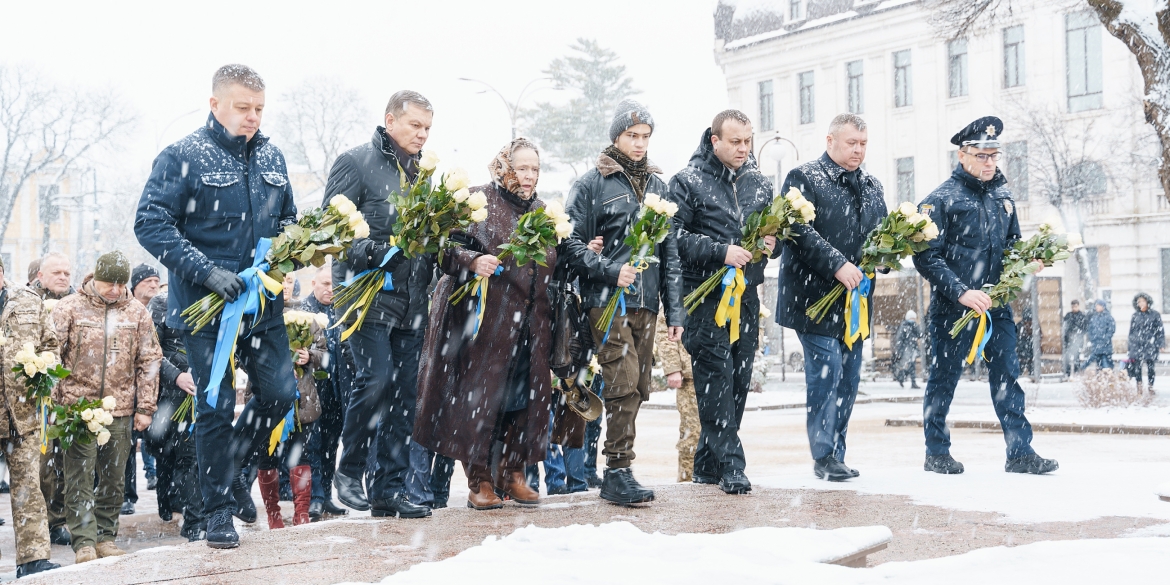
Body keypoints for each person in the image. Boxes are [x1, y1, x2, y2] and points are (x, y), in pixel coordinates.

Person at [135, 64, 300, 548]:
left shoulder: (272, 154)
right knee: (215, 407)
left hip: (260, 303)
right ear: (215, 104)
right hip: (206, 305)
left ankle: (235, 473)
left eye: (259, 109)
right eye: (243, 108)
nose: (253, 118)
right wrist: (206, 271)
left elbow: (287, 216)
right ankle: (217, 513)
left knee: (281, 394)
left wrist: (292, 250)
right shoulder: (182, 155)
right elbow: (150, 223)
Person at [413, 138, 555, 509]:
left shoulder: (542, 211)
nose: (528, 176)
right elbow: (442, 247)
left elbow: (554, 261)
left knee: (521, 399)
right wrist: (472, 260)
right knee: (479, 399)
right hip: (483, 323)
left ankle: (513, 473)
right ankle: (479, 481)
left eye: (534, 169)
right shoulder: (478, 200)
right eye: (522, 167)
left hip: (528, 324)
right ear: (505, 166)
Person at [914, 116, 1058, 476]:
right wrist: (961, 291)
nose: (990, 161)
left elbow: (1011, 247)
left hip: (997, 305)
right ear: (963, 156)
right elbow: (926, 257)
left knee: (1008, 374)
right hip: (953, 308)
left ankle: (1020, 452)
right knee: (944, 377)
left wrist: (1027, 262)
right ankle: (937, 452)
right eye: (982, 155)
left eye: (994, 155)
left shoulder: (1003, 197)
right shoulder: (939, 201)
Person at [563, 100, 683, 505]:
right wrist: (609, 270)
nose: (639, 144)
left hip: (647, 304)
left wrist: (675, 311)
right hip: (605, 300)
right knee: (622, 379)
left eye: (645, 137)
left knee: (637, 387)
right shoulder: (591, 183)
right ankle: (617, 470)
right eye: (632, 136)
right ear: (616, 136)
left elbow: (671, 256)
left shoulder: (659, 187)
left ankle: (618, 468)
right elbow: (570, 245)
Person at [324, 90, 436, 519]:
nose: (422, 135)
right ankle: (349, 470)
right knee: (376, 380)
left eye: (427, 128)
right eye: (415, 125)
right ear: (390, 121)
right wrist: (383, 250)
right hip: (366, 294)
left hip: (412, 299)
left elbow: (429, 241)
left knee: (406, 396)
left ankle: (389, 488)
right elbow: (332, 233)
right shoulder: (356, 163)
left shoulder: (427, 175)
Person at [775, 113, 887, 482]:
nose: (858, 150)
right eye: (852, 143)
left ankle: (837, 451)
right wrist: (837, 263)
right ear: (830, 141)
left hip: (854, 304)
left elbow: (880, 233)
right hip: (812, 299)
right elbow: (797, 231)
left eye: (864, 144)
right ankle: (823, 455)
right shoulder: (804, 178)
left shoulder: (872, 185)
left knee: (849, 378)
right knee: (827, 373)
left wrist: (884, 256)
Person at [669, 110, 774, 494]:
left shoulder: (759, 184)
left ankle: (706, 466)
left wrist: (770, 246)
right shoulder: (688, 181)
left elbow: (772, 236)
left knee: (739, 381)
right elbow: (672, 237)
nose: (743, 148)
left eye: (748, 140)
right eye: (735, 141)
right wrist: (720, 252)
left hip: (746, 297)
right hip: (704, 296)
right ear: (715, 141)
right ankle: (732, 465)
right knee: (716, 379)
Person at [52, 252, 161, 563]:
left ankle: (106, 536)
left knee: (113, 479)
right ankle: (84, 541)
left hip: (121, 408)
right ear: (94, 279)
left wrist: (146, 407)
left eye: (119, 284)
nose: (114, 290)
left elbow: (150, 362)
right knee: (79, 476)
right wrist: (58, 399)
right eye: (108, 283)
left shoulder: (137, 312)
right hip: (78, 409)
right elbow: (52, 356)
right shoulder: (70, 308)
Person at [0, 257, 62, 577]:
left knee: (28, 489)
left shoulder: (27, 302)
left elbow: (51, 346)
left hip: (22, 414)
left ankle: (33, 559)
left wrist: (43, 371)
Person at [143, 291, 206, 541]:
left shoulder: (207, 298)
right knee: (167, 454)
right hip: (170, 395)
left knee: (189, 456)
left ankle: (193, 519)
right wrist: (177, 375)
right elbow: (152, 352)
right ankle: (169, 504)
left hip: (197, 390)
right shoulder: (161, 303)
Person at [300, 265, 355, 520]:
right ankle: (315, 497)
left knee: (331, 445)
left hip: (337, 389)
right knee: (312, 445)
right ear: (314, 284)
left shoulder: (343, 309)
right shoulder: (302, 312)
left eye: (333, 284)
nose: (330, 289)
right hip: (312, 389)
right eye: (325, 284)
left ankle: (327, 496)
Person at [32, 252, 75, 546]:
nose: (62, 277)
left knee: (67, 463)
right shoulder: (24, 303)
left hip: (71, 395)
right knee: (42, 464)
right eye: (56, 272)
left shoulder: (79, 303)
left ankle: (61, 519)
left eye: (67, 273)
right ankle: (44, 521)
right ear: (40, 276)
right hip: (37, 395)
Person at [122, 263, 162, 516]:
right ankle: (127, 496)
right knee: (125, 447)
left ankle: (167, 496)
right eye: (148, 280)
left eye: (157, 280)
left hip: (159, 387)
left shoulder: (163, 310)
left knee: (162, 443)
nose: (154, 284)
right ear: (135, 285)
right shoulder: (125, 311)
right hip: (128, 388)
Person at [654, 310, 699, 482]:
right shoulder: (680, 287)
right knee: (692, 433)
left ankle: (713, 477)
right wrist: (672, 367)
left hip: (716, 370)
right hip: (690, 375)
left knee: (720, 431)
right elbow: (665, 329)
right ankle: (687, 481)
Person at [1128, 293, 1165, 393]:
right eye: (1139, 302)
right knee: (1137, 368)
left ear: (1148, 302)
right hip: (1137, 345)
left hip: (1150, 345)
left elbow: (1160, 331)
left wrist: (1161, 344)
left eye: (1143, 301)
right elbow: (1131, 332)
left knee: (1151, 367)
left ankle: (1150, 386)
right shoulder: (1135, 316)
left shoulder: (1155, 315)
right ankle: (1139, 386)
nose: (1141, 303)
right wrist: (1130, 347)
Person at [892, 311, 922, 389]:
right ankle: (901, 378)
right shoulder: (904, 326)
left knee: (911, 366)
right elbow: (900, 339)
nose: (913, 320)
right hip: (906, 349)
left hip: (912, 348)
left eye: (914, 318)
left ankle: (911, 381)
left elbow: (920, 334)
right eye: (912, 318)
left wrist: (915, 326)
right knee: (907, 366)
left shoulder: (914, 326)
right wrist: (899, 350)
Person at [1083, 299, 1115, 370]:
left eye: (1098, 305)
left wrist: (1104, 340)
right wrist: (1093, 339)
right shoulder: (1094, 318)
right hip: (1096, 345)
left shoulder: (1108, 318)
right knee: (1099, 366)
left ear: (1103, 306)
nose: (1096, 307)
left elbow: (1111, 330)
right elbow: (1090, 330)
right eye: (1096, 305)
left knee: (1106, 365)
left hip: (1106, 346)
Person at [1061, 300, 1088, 377]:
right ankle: (1068, 373)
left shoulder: (1082, 316)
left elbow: (1085, 328)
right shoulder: (1068, 316)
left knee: (1076, 358)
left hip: (1078, 339)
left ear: (1078, 306)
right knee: (1068, 358)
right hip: (1068, 339)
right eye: (1073, 306)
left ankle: (1076, 373)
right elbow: (1065, 327)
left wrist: (1079, 333)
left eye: (1075, 306)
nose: (1074, 308)